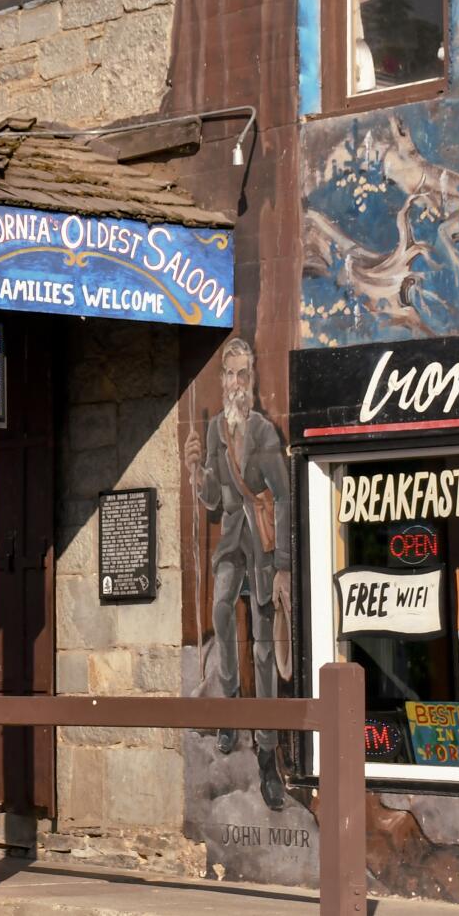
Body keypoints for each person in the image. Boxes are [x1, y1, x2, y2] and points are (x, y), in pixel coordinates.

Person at [185, 335, 293, 808]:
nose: (234, 382)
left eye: (242, 374)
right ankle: (230, 710)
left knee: (265, 649)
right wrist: (194, 474)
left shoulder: (266, 433)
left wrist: (284, 565)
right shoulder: (214, 433)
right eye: (228, 374)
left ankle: (268, 757)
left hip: (263, 549)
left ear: (252, 378)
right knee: (221, 612)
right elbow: (213, 498)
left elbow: (285, 499)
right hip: (230, 541)